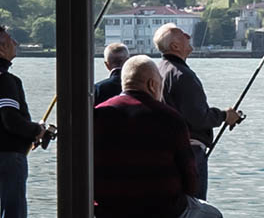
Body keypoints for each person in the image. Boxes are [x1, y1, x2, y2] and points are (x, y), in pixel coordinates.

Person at [94, 55, 221, 218]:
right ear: (152, 85)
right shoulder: (170, 118)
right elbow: (189, 176)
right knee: (213, 214)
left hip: (108, 209)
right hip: (163, 209)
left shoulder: (98, 114)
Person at [0, 25, 54, 218]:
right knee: (11, 211)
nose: (16, 43)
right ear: (1, 49)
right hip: (5, 154)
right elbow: (11, 120)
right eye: (11, 40)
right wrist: (37, 130)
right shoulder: (4, 80)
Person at [154, 23, 240, 199]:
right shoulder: (182, 75)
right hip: (189, 151)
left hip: (164, 150)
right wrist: (225, 116)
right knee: (194, 205)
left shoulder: (157, 71)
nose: (188, 36)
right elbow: (198, 117)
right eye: (182, 34)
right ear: (175, 46)